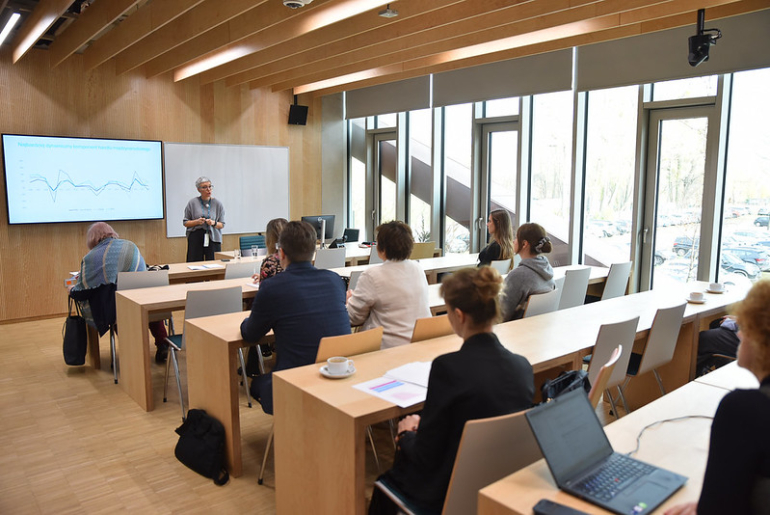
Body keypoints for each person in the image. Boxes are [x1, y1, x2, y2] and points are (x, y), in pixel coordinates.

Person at [369, 266, 534, 514]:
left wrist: (406, 434)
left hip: (444, 495)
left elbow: (425, 457)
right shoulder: (522, 367)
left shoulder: (448, 368)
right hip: (497, 488)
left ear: (459, 315)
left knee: (387, 479)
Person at [665, 280, 770, 515]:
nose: (739, 333)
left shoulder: (745, 410)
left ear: (761, 340)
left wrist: (706, 506)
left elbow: (717, 509)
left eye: (746, 327)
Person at [240, 221, 351, 414]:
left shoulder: (272, 287)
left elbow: (250, 334)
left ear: (281, 253)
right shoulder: (335, 281)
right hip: (337, 377)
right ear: (313, 252)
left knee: (257, 384)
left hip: (294, 383)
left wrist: (244, 321)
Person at [68, 222, 169, 363]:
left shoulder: (91, 258)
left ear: (92, 239)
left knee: (115, 302)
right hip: (145, 302)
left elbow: (81, 292)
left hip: (118, 311)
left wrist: (71, 289)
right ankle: (163, 342)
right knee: (144, 299)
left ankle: (133, 350)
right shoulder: (130, 246)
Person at [346, 221, 431, 349]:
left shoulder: (372, 275)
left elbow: (353, 318)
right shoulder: (417, 268)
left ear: (382, 248)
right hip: (418, 343)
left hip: (387, 347)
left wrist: (349, 301)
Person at [500, 222, 555, 321]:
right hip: (538, 327)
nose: (514, 241)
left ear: (524, 244)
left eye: (516, 238)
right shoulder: (548, 271)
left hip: (513, 329)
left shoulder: (518, 276)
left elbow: (501, 315)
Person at [183, 176, 225, 262]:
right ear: (199, 189)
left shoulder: (218, 204)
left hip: (213, 236)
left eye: (210, 186)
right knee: (194, 263)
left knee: (214, 264)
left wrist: (213, 223)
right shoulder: (192, 203)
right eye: (204, 187)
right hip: (196, 236)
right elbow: (186, 222)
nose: (208, 189)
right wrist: (197, 222)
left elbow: (222, 224)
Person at [253, 217, 288, 283]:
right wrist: (263, 277)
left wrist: (264, 279)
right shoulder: (297, 257)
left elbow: (264, 288)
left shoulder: (269, 262)